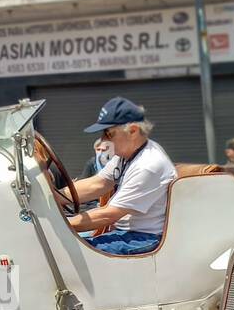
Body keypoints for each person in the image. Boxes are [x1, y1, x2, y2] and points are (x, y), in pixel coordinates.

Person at [60, 97, 177, 256]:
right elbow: (98, 184)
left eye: (109, 133)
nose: (103, 140)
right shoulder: (126, 155)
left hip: (145, 238)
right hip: (126, 233)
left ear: (133, 131)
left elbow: (108, 215)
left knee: (70, 253)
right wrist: (51, 195)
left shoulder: (148, 165)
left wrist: (59, 223)